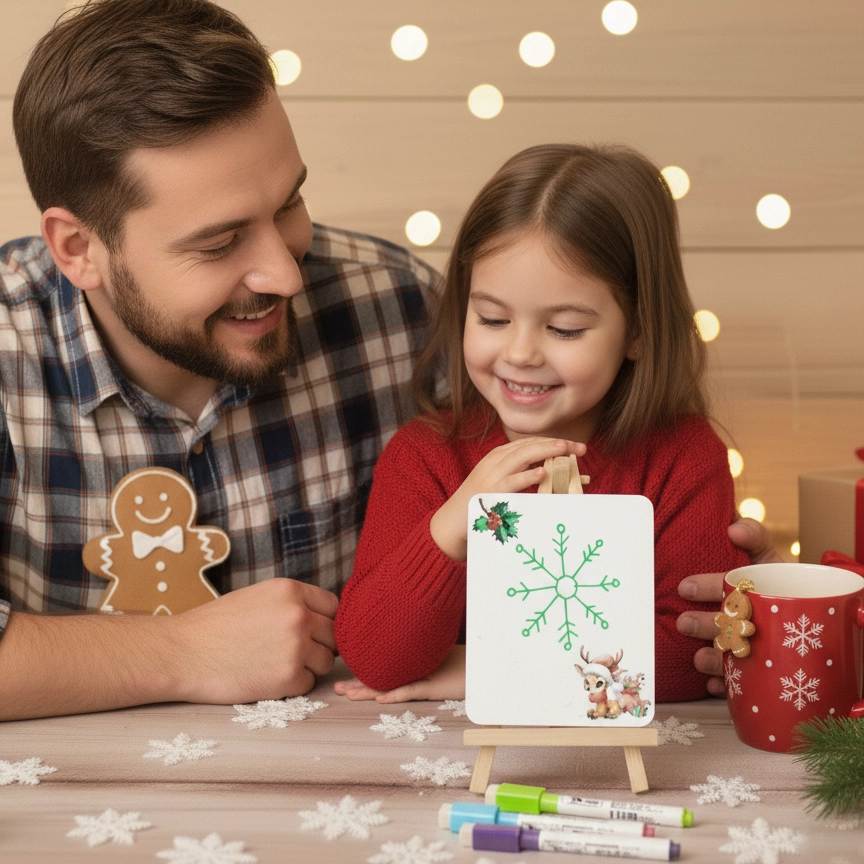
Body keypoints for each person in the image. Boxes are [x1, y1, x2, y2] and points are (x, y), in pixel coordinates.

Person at [0, 0, 437, 720]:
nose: (287, 276)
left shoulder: (404, 309)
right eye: (220, 242)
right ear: (79, 249)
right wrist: (184, 652)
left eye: (289, 203)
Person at [334, 143, 753, 705]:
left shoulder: (684, 456)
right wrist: (453, 526)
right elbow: (376, 659)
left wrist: (480, 670)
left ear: (638, 331)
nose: (521, 352)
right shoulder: (424, 456)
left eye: (565, 329)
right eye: (493, 318)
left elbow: (694, 655)